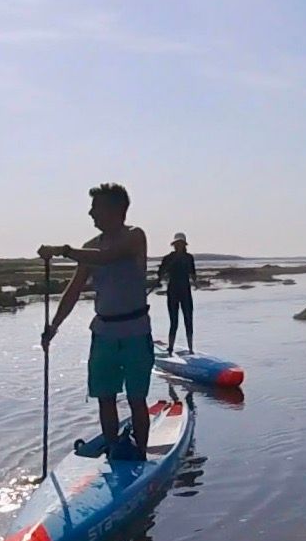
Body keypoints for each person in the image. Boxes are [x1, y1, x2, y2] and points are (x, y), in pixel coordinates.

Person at [39, 183, 153, 460]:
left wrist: (64, 250)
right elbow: (74, 289)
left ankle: (140, 454)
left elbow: (108, 258)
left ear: (117, 210)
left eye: (96, 207)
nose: (90, 213)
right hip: (103, 332)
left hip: (136, 331)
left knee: (137, 398)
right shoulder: (90, 247)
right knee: (105, 397)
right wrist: (53, 327)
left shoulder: (135, 237)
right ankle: (114, 450)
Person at [156, 231, 197, 354]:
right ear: (174, 245)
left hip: (185, 291)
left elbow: (193, 274)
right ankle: (170, 348)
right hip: (173, 291)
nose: (179, 246)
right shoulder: (168, 258)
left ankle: (190, 349)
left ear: (184, 245)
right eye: (177, 244)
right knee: (174, 321)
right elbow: (160, 273)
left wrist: (196, 281)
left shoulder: (189, 258)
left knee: (188, 320)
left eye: (181, 244)